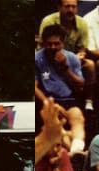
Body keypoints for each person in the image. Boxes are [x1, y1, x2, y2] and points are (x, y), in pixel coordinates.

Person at [36, 24, 87, 155]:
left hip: (69, 99)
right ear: (43, 43)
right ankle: (74, 152)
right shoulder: (37, 59)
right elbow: (34, 87)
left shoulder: (72, 58)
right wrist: (50, 104)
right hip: (47, 100)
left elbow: (80, 84)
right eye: (49, 44)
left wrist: (65, 68)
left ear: (63, 43)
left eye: (56, 44)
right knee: (57, 125)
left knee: (77, 117)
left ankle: (76, 147)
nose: (53, 47)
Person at [39, 0, 96, 111]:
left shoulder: (82, 23)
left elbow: (83, 48)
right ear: (59, 7)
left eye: (73, 7)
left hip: (73, 57)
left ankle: (88, 101)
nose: (70, 10)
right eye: (67, 6)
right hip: (48, 56)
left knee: (90, 65)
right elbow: (42, 44)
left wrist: (78, 56)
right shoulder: (48, 21)